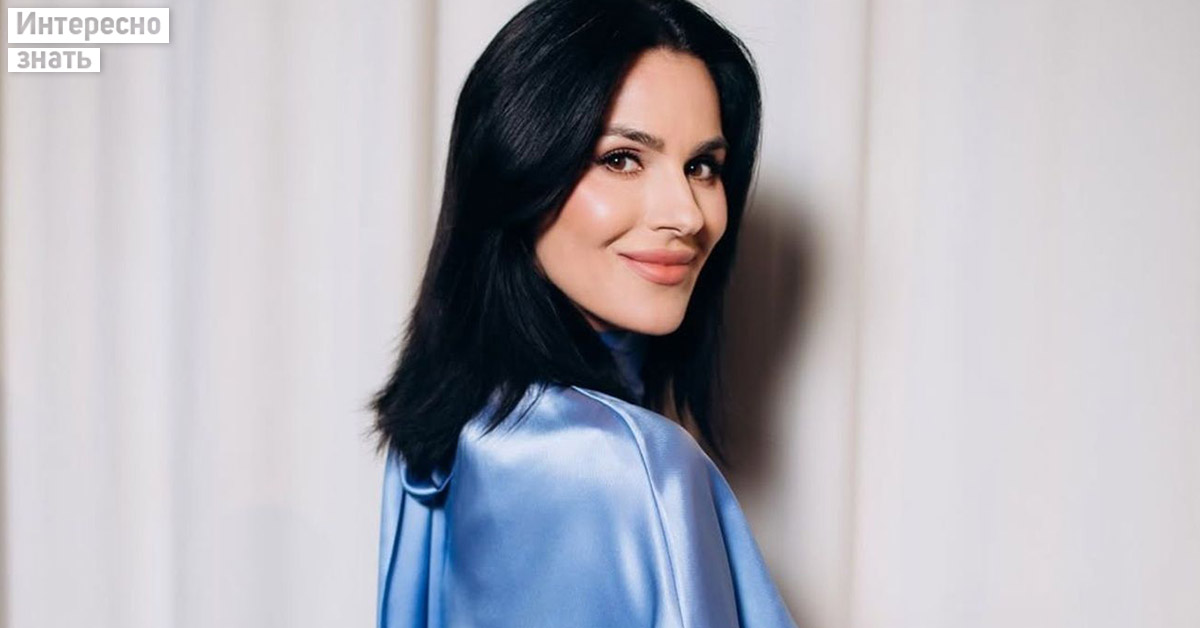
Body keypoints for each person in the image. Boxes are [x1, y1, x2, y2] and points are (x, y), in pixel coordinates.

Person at [369, 0, 798, 625]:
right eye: (621, 159)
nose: (686, 214)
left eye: (702, 166)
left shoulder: (449, 423)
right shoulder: (627, 462)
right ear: (518, 170)